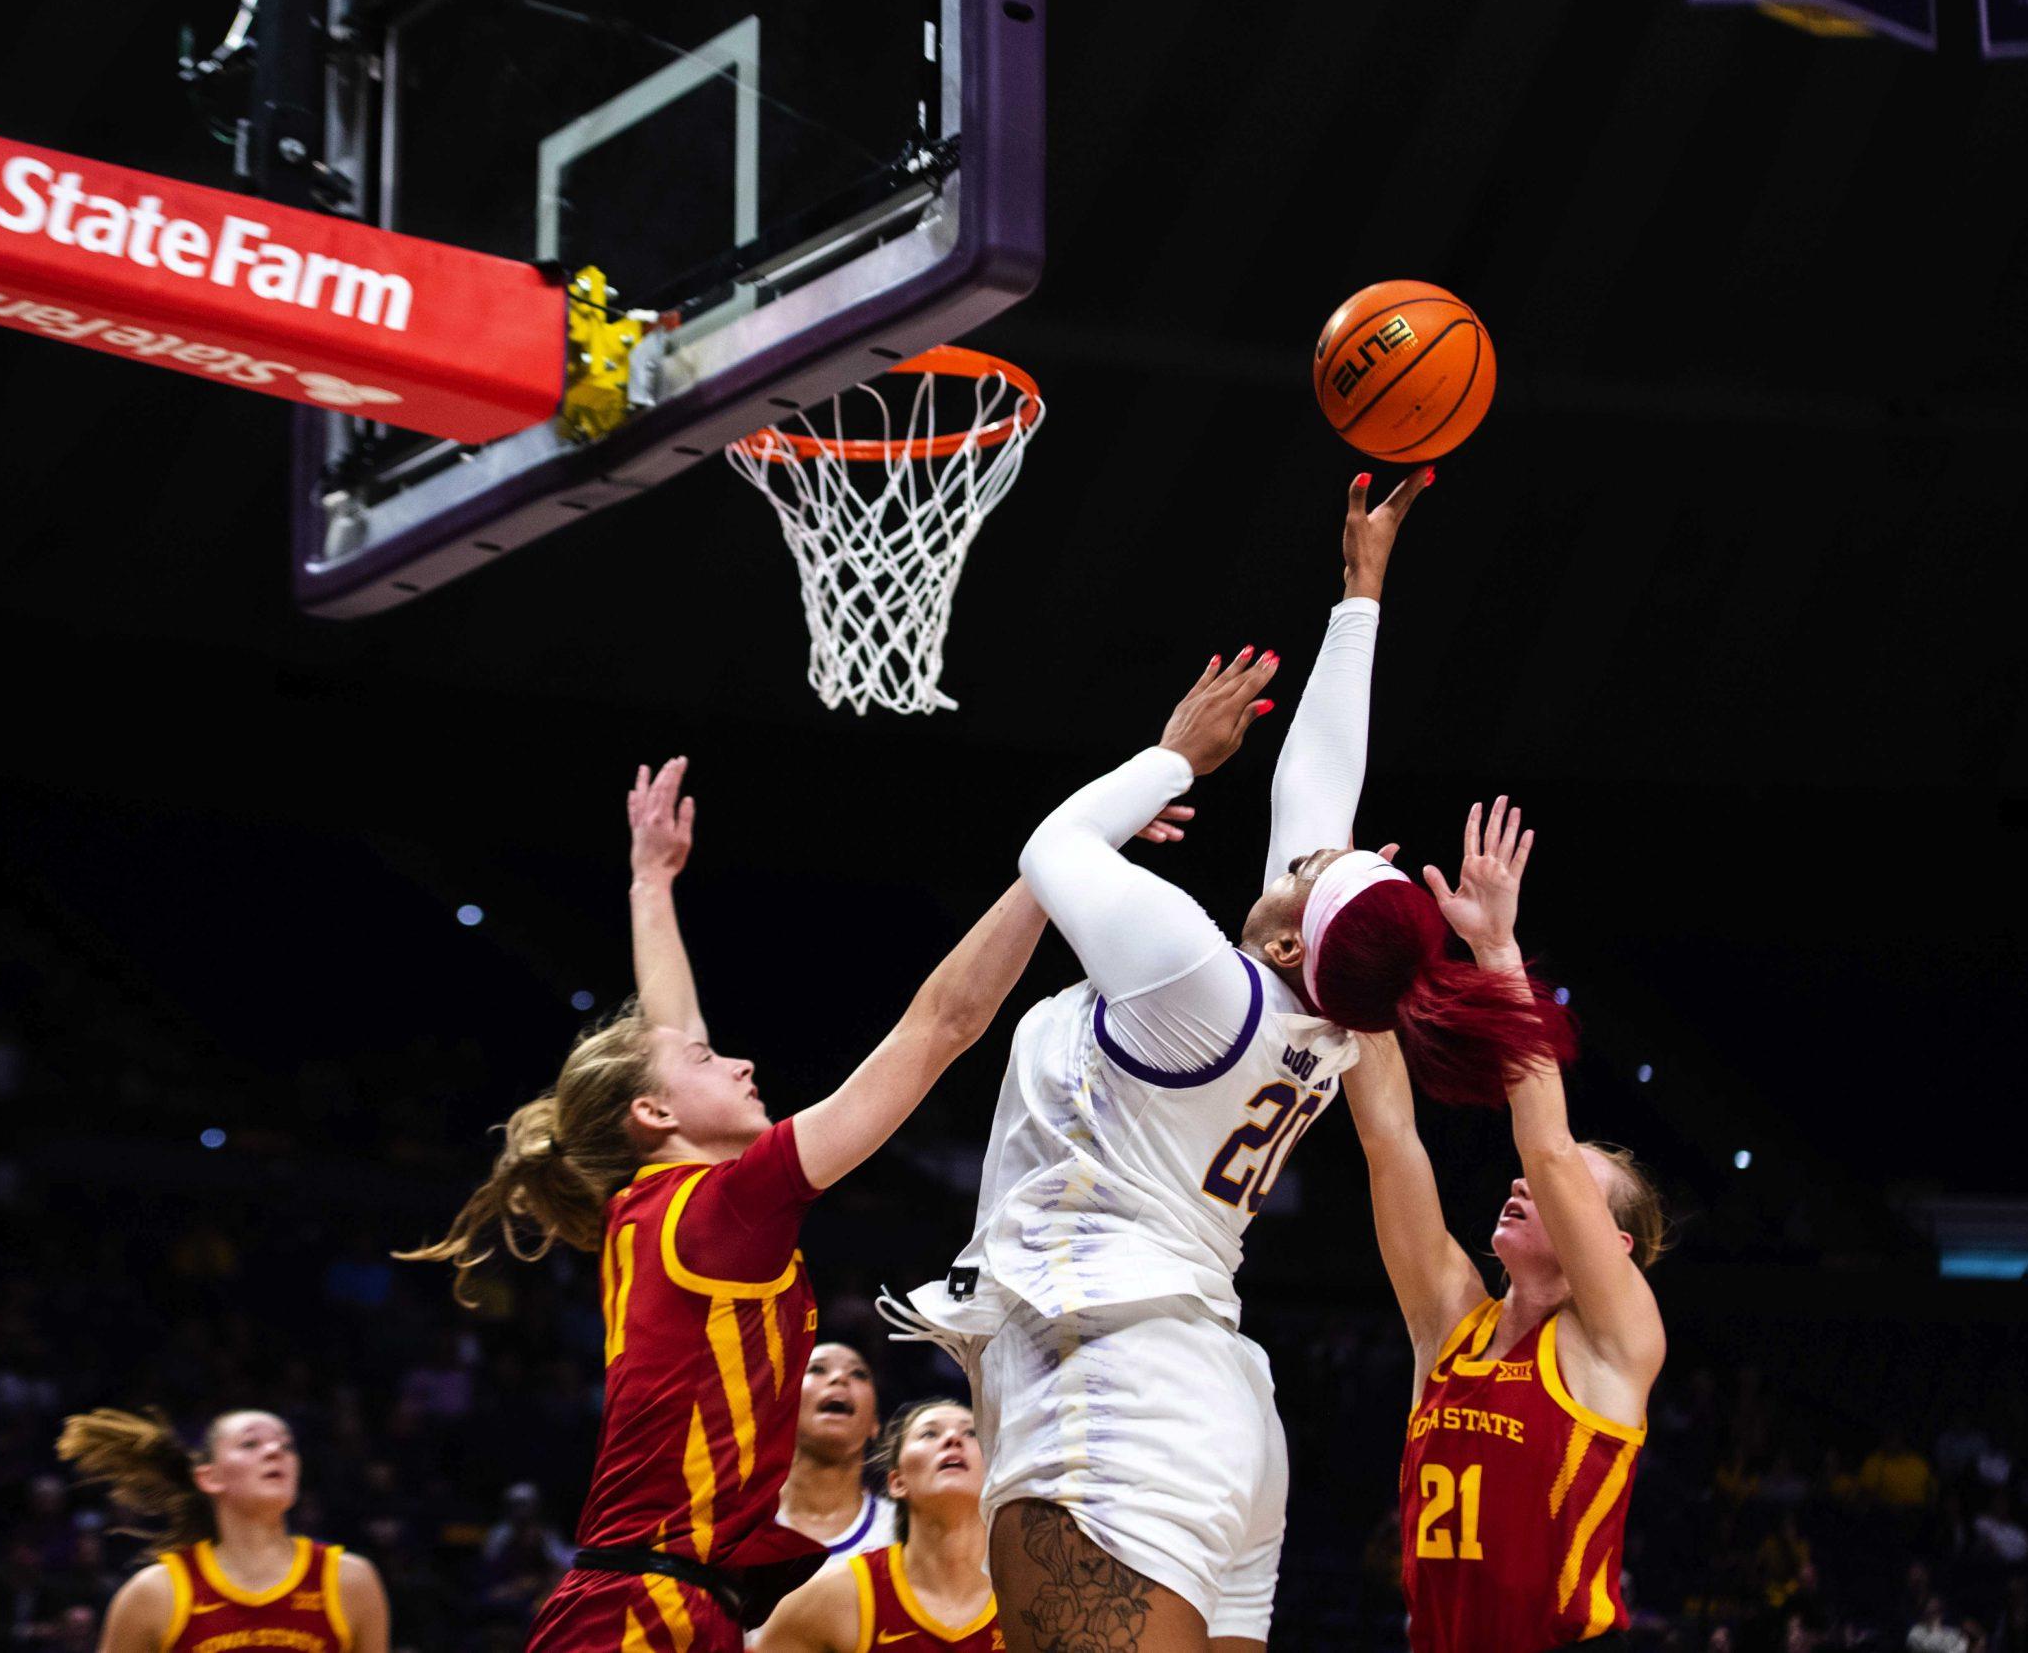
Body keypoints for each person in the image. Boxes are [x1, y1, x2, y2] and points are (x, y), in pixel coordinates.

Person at [892, 472, 1574, 1653]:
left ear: (1286, 930)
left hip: (1117, 1392)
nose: (1307, 855)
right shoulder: (1334, 1017)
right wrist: (1359, 595)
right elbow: (1316, 789)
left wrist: (1170, 761)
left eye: (1315, 870)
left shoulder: (1199, 983)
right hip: (1211, 1408)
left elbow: (1053, 845)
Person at [404, 758, 1120, 1652]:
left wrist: (650, 883)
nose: (739, 1062)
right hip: (638, 1613)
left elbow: (673, 1039)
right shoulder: (720, 1209)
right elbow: (940, 1027)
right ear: (654, 1115)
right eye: (709, 1063)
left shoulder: (659, 1202)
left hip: (666, 1597)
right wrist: (1054, 863)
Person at [1345, 800, 1669, 1653]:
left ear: (1615, 1246)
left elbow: (1549, 1145)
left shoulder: (1615, 1341)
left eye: (1572, 1197)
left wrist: (1495, 952)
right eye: (1537, 1184)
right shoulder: (1450, 1321)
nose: (1527, 1183)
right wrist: (1353, 963)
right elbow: (1389, 1143)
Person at [56, 1407, 391, 1653]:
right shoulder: (156, 1594)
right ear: (209, 1477)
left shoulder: (351, 1581)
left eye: (286, 1446)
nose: (276, 1451)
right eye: (250, 1444)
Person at [755, 1400, 999, 1653]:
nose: (952, 1438)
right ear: (897, 1482)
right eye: (930, 1433)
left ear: (995, 1473)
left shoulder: (1031, 1594)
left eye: (971, 1433)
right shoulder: (834, 1599)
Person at [777, 1344, 896, 1558]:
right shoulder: (740, 1521)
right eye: (817, 1369)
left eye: (858, 1374)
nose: (839, 1377)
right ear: (784, 1408)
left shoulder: (902, 1533)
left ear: (875, 1423)